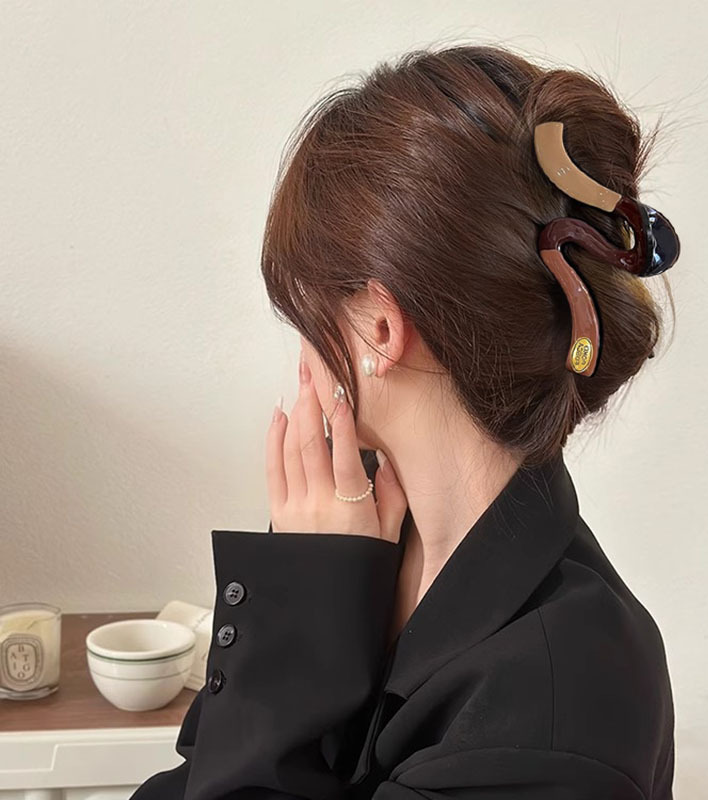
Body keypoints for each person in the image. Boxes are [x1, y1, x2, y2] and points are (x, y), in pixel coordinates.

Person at [131, 42, 677, 800]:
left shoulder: (560, 699)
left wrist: (300, 604)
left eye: (305, 319)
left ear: (381, 329)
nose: (301, 359)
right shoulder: (362, 540)